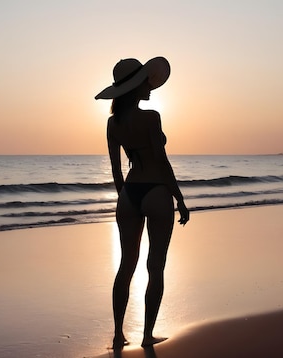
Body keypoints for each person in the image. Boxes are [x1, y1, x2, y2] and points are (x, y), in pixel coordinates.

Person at [95, 57, 190, 349]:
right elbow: (162, 163)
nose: (150, 86)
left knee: (126, 265)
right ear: (136, 87)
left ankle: (117, 334)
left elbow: (115, 170)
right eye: (145, 82)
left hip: (129, 194)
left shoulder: (113, 123)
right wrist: (180, 198)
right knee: (155, 267)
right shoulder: (152, 117)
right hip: (156, 192)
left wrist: (125, 197)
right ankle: (147, 335)